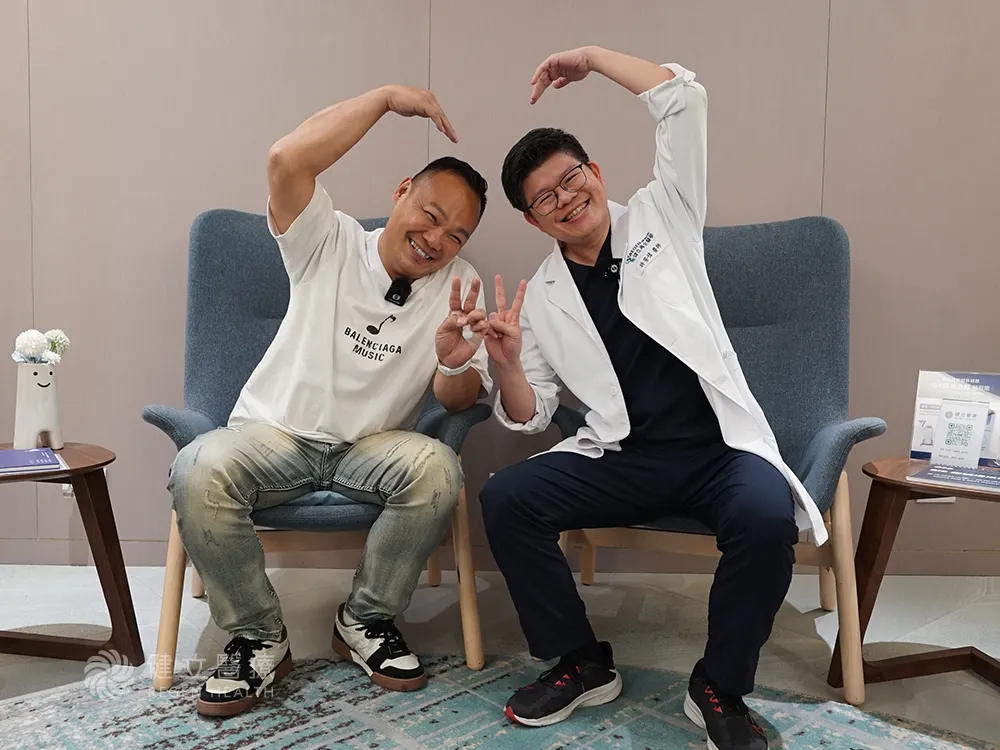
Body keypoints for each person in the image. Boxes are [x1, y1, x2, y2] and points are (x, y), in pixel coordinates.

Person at [478, 46, 826, 750]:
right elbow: (530, 414)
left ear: (595, 172)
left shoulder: (665, 215)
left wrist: (592, 59)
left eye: (571, 178)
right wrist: (506, 364)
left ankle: (718, 685)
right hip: (623, 457)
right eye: (545, 198)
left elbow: (683, 100)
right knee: (505, 498)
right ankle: (581, 661)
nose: (565, 198)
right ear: (533, 221)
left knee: (766, 521)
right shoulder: (541, 296)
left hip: (718, 451)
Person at [168, 84, 495, 717]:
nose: (436, 240)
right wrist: (386, 100)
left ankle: (365, 619)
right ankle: (258, 636)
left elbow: (457, 397)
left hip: (370, 446)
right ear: (402, 192)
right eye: (430, 215)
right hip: (275, 434)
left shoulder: (461, 283)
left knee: (438, 469)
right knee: (198, 468)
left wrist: (454, 362)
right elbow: (286, 159)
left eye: (455, 235)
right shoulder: (330, 239)